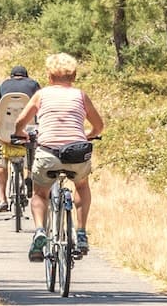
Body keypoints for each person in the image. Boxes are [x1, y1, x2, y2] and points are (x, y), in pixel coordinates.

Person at [14, 52, 103, 260]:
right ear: (74, 76)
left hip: (48, 153)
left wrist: (21, 133)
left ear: (49, 75)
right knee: (81, 186)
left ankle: (40, 231)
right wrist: (88, 135)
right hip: (77, 153)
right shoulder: (81, 96)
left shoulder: (41, 95)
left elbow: (20, 122)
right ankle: (81, 232)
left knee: (39, 193)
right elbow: (99, 126)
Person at [0, 64, 40, 211]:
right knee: (32, 146)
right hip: (26, 132)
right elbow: (40, 106)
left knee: (1, 162)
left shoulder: (4, 85)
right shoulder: (33, 84)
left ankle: (3, 199)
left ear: (11, 76)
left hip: (6, 133)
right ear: (26, 76)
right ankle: (29, 175)